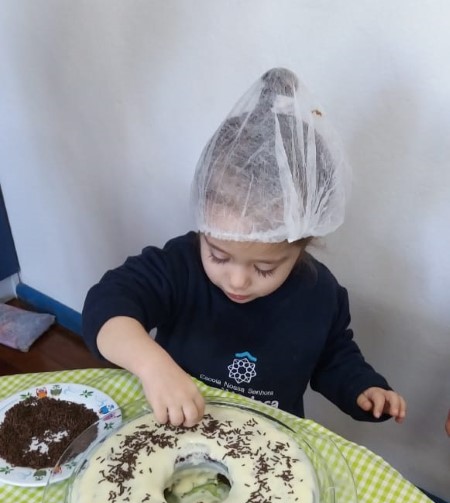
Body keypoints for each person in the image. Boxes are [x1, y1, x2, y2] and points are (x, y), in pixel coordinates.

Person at [82, 68, 407, 428]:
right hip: (178, 427)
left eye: (265, 268)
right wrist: (153, 366)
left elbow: (333, 357)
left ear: (302, 244)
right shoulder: (179, 267)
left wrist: (363, 388)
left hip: (267, 441)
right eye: (218, 255)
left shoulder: (321, 295)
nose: (237, 280)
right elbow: (106, 306)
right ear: (204, 224)